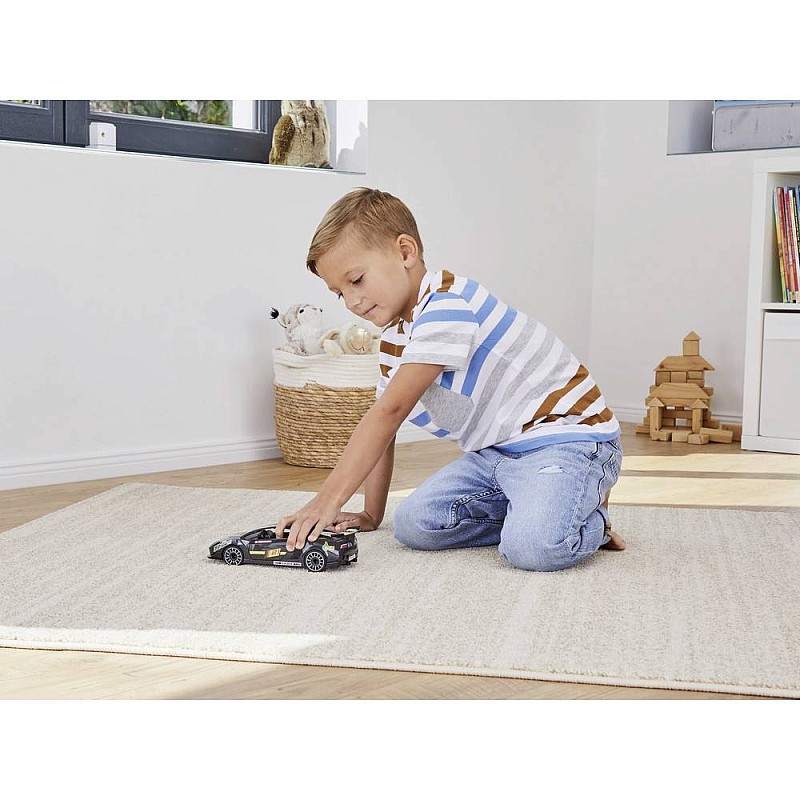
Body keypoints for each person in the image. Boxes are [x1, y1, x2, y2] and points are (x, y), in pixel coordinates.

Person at [275, 187, 625, 571]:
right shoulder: (393, 340)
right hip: (496, 455)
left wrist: (327, 500)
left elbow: (389, 413)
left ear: (405, 252)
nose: (352, 301)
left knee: (535, 548)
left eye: (356, 280)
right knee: (414, 525)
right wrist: (371, 514)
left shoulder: (448, 305)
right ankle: (536, 507)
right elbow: (382, 430)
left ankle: (590, 519)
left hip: (568, 441)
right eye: (339, 293)